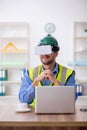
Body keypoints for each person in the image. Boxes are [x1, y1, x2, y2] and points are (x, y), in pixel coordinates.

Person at [19, 34, 76, 107]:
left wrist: (56, 82)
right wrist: (35, 82)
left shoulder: (69, 73)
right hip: (34, 115)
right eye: (42, 50)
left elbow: (71, 100)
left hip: (60, 114)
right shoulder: (29, 73)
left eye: (48, 50)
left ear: (56, 54)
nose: (44, 54)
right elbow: (23, 100)